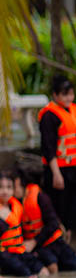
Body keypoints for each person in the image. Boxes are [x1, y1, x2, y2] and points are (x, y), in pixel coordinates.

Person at [0, 171, 47, 277]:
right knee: (26, 274)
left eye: (9, 187)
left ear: (13, 190)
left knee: (43, 271)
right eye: (1, 187)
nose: (5, 191)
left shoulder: (15, 206)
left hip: (18, 251)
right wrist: (2, 221)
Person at [12, 167, 76, 273]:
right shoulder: (14, 203)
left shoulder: (40, 197)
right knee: (52, 266)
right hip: (39, 247)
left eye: (14, 187)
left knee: (72, 265)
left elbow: (53, 223)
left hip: (53, 242)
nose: (12, 191)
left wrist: (34, 241)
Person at [38, 75, 76, 236]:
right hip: (58, 169)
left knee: (72, 205)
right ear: (55, 95)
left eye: (71, 94)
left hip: (73, 167)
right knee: (59, 205)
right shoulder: (49, 116)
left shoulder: (73, 109)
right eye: (64, 94)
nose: (69, 98)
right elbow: (48, 147)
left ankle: (70, 232)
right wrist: (56, 173)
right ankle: (59, 236)